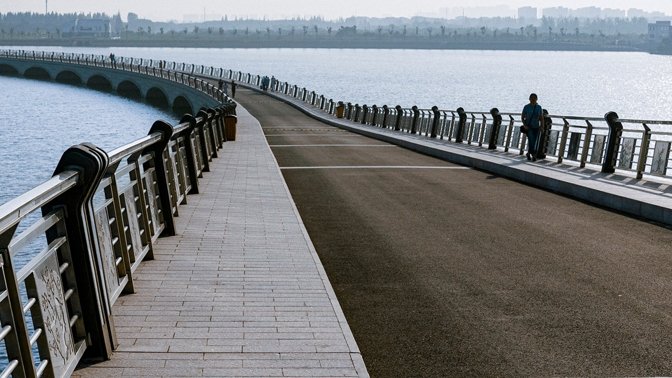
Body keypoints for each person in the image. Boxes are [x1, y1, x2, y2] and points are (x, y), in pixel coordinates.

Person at [521, 93, 543, 161]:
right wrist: (525, 125)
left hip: (536, 127)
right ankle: (534, 155)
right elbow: (522, 117)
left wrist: (542, 126)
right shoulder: (526, 107)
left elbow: (541, 118)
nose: (533, 99)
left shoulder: (539, 107)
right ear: (529, 99)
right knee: (531, 140)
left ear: (536, 99)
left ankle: (529, 153)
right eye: (531, 98)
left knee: (534, 141)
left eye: (534, 98)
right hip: (529, 127)